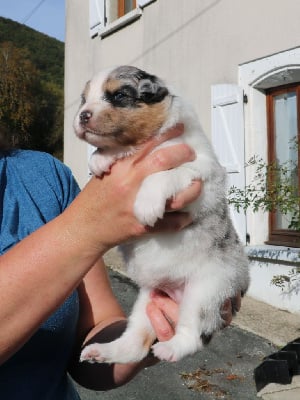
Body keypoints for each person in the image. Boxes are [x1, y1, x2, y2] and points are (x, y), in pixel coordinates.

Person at [0, 124, 240, 399]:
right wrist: (85, 227)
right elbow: (86, 228)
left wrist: (154, 326)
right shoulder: (81, 219)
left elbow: (95, 328)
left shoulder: (44, 175)